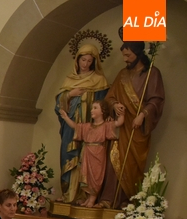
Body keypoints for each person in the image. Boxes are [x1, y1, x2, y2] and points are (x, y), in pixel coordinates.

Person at [101, 41, 165, 207]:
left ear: (138, 54)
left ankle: (126, 200)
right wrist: (115, 105)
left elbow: (156, 100)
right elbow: (109, 97)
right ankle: (108, 199)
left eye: (128, 55)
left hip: (137, 127)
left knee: (131, 164)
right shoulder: (122, 74)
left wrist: (143, 115)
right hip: (120, 125)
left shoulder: (152, 73)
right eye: (124, 55)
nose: (125, 59)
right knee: (112, 160)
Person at [54, 43, 109, 203]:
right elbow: (58, 105)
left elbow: (104, 105)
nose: (85, 64)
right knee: (67, 155)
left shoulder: (99, 80)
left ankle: (83, 195)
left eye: (89, 61)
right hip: (70, 128)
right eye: (83, 60)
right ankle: (68, 194)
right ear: (77, 60)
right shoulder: (69, 79)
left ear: (94, 62)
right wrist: (70, 94)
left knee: (86, 159)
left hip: (88, 128)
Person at [59, 100, 124, 207]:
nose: (91, 110)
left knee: (96, 176)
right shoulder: (87, 126)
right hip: (87, 153)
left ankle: (92, 199)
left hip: (98, 153)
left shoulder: (106, 125)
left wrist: (121, 112)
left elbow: (119, 123)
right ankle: (88, 199)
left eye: (95, 108)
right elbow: (76, 126)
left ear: (102, 111)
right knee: (87, 176)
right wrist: (66, 117)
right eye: (92, 108)